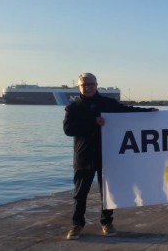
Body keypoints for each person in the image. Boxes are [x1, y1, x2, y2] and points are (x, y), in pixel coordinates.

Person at [63, 73, 157, 240]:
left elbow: (126, 112)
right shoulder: (73, 107)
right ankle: (77, 224)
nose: (88, 87)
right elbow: (69, 130)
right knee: (80, 194)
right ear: (79, 87)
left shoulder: (107, 103)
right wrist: (93, 122)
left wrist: (148, 112)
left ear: (96, 85)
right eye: (84, 85)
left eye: (91, 84)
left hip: (107, 156)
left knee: (107, 192)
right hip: (83, 157)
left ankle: (106, 222)